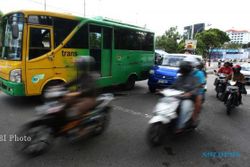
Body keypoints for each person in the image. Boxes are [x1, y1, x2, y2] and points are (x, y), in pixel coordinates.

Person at [170, 60, 199, 133]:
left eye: (183, 70)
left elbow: (196, 89)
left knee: (185, 108)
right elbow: (173, 86)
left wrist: (189, 93)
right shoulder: (179, 78)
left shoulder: (194, 79)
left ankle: (180, 126)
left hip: (187, 99)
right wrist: (163, 90)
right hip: (176, 97)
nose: (181, 71)